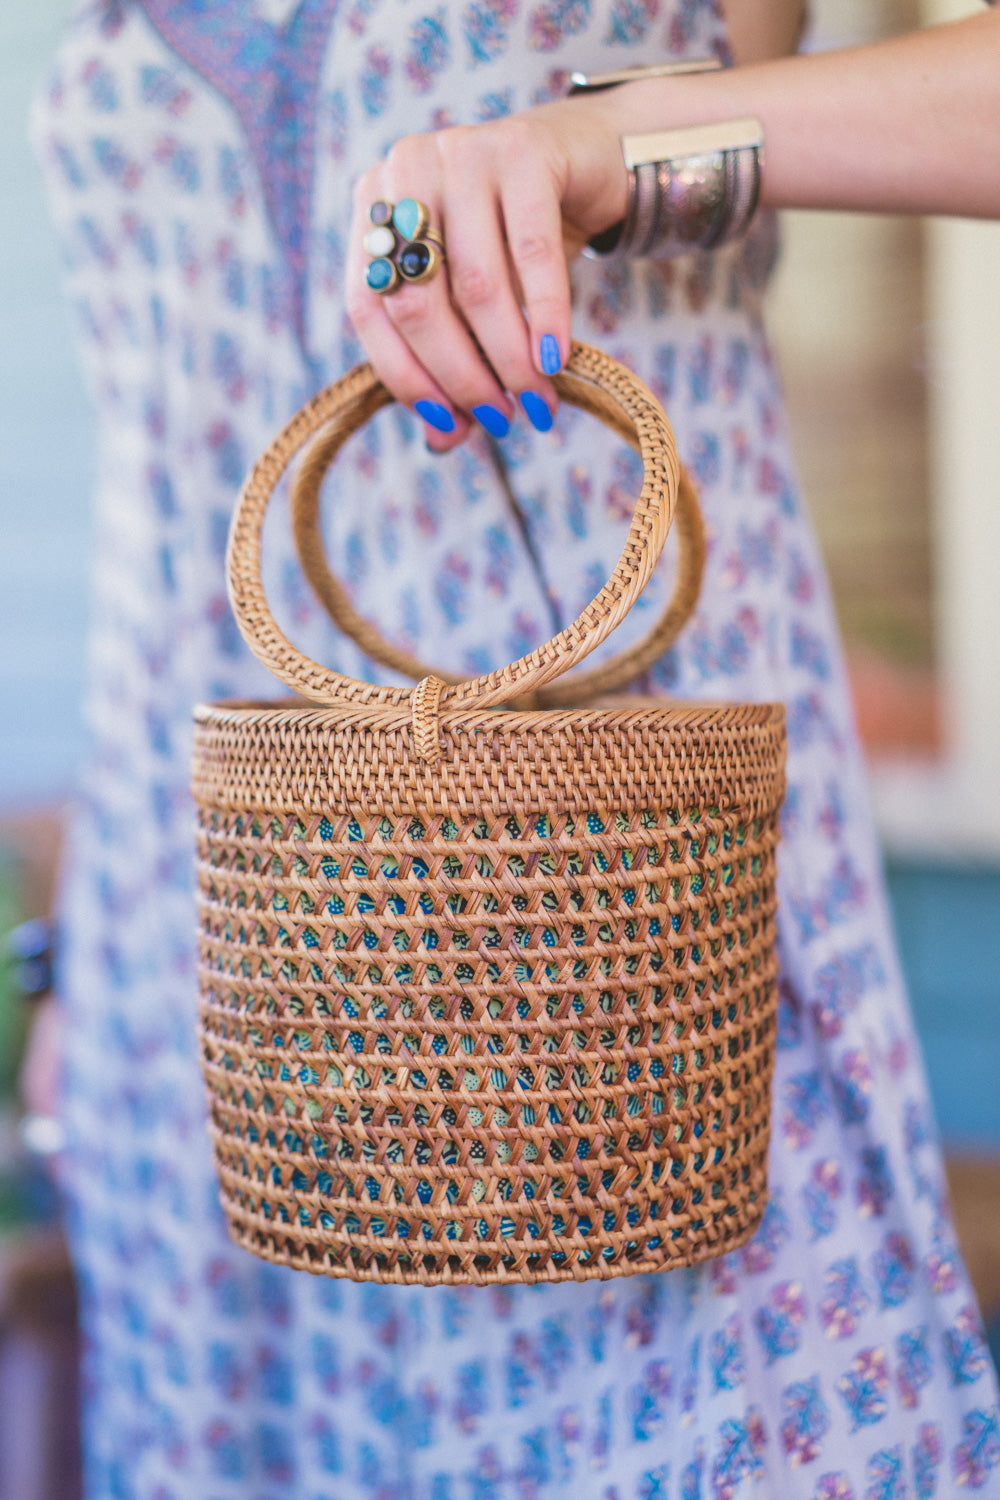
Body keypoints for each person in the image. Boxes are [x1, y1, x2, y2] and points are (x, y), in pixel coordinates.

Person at [28, 0, 1000, 1494]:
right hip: (222, 979)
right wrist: (90, 951)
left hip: (638, 942)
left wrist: (616, 135)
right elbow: (166, 478)